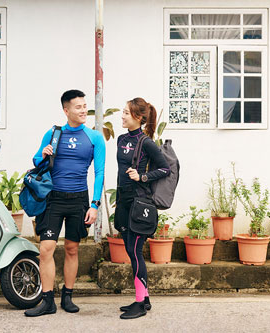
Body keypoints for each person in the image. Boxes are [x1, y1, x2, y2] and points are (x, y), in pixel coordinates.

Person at [24, 89, 106, 317]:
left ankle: (67, 296)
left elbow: (99, 172)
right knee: (45, 248)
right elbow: (37, 160)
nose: (83, 111)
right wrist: (45, 153)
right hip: (53, 198)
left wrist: (95, 204)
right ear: (66, 110)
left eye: (84, 106)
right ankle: (47, 300)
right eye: (78, 107)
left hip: (78, 199)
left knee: (72, 248)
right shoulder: (53, 134)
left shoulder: (95, 137)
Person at [114, 97, 170, 320]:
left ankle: (139, 302)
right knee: (129, 249)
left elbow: (165, 169)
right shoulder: (120, 139)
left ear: (137, 117)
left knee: (135, 252)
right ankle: (144, 298)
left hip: (139, 202)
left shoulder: (146, 142)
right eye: (123, 112)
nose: (122, 116)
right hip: (124, 200)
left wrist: (143, 175)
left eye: (126, 113)